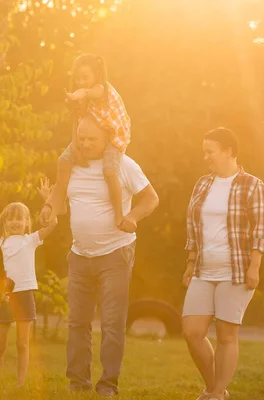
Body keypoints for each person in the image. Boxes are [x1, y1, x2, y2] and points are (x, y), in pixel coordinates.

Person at [60, 114, 159, 397]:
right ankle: (77, 383)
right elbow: (62, 199)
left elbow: (151, 198)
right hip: (79, 255)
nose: (86, 143)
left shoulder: (122, 165)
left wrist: (132, 216)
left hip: (115, 254)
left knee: (112, 323)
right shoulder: (72, 164)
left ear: (106, 139)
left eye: (92, 139)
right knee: (78, 321)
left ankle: (108, 385)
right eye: (82, 138)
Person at [182, 127, 264, 400]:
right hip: (203, 270)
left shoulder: (252, 185)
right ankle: (214, 387)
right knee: (191, 331)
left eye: (210, 151)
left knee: (226, 336)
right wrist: (190, 262)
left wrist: (254, 267)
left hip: (237, 271)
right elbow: (193, 227)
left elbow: (259, 231)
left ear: (229, 151)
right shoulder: (202, 184)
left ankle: (217, 394)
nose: (206, 157)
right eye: (204, 151)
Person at [41, 53, 131, 230]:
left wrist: (82, 93)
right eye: (78, 79)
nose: (81, 82)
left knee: (109, 171)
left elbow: (95, 92)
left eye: (85, 78)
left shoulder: (101, 88)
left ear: (96, 76)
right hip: (91, 135)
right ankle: (60, 204)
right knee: (63, 161)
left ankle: (119, 213)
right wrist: (75, 144)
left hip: (113, 136)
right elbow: (77, 122)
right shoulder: (79, 96)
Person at [0, 179, 58, 388]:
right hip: (4, 297)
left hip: (24, 294)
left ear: (27, 221)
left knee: (22, 343)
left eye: (20, 219)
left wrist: (48, 200)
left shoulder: (31, 239)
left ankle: (20, 385)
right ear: (4, 222)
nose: (16, 222)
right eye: (11, 219)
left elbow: (53, 224)